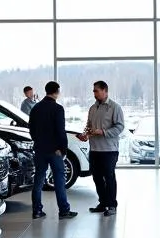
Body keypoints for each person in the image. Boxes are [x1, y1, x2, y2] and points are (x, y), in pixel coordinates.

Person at [27, 81, 78, 220]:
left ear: (46, 91)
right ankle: (64, 211)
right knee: (59, 180)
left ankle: (37, 211)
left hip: (39, 150)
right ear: (57, 92)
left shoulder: (35, 108)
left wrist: (38, 142)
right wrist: (63, 149)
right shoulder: (58, 109)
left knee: (38, 180)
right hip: (55, 151)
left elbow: (31, 130)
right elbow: (61, 132)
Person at [81, 80, 125, 216]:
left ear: (105, 91)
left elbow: (120, 127)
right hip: (94, 150)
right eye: (93, 91)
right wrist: (86, 134)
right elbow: (88, 125)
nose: (94, 93)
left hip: (109, 150)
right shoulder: (92, 108)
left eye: (96, 91)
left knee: (109, 177)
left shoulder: (115, 107)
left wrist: (104, 132)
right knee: (97, 178)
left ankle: (112, 205)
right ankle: (103, 203)